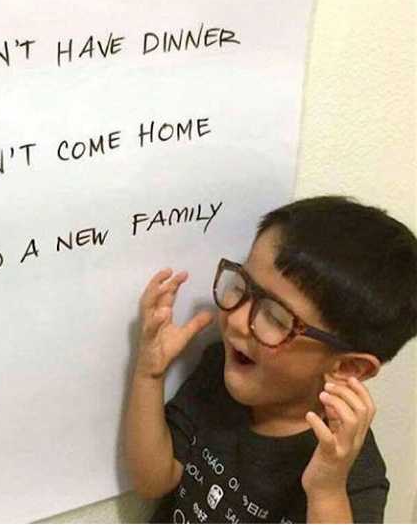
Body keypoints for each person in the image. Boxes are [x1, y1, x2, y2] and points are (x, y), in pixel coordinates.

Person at [123, 195, 417, 523]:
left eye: (276, 318)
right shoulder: (219, 371)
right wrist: (150, 374)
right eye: (243, 286)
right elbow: (153, 481)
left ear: (347, 367)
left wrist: (326, 489)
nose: (235, 320)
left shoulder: (349, 471)